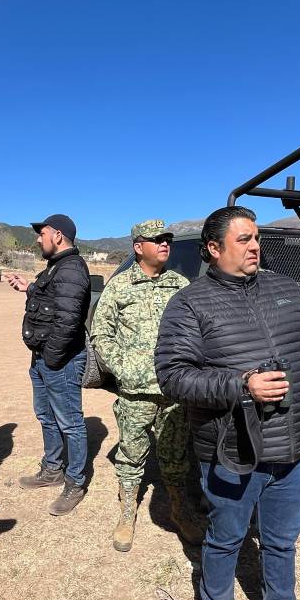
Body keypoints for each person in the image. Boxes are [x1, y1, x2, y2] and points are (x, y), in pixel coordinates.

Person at [155, 205, 300, 600]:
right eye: (244, 240)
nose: (256, 246)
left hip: (292, 447)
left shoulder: (286, 290)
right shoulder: (189, 304)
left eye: (256, 238)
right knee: (225, 538)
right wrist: (241, 385)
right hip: (231, 451)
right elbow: (173, 376)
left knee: (281, 541)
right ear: (214, 249)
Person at [90, 219, 202, 551]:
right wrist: (123, 368)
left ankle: (180, 511)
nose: (165, 244)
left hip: (173, 391)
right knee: (131, 455)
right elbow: (101, 334)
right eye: (157, 240)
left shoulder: (180, 285)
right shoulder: (120, 285)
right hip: (135, 392)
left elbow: (195, 330)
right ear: (138, 247)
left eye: (167, 239)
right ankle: (127, 514)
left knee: (176, 455)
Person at [6, 213, 92, 516]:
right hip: (44, 358)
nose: (37, 239)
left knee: (70, 422)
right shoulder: (57, 267)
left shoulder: (71, 268)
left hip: (60, 361)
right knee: (46, 415)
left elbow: (68, 321)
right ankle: (52, 469)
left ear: (57, 236)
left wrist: (52, 359)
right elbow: (53, 301)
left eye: (41, 234)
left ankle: (75, 482)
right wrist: (29, 288)